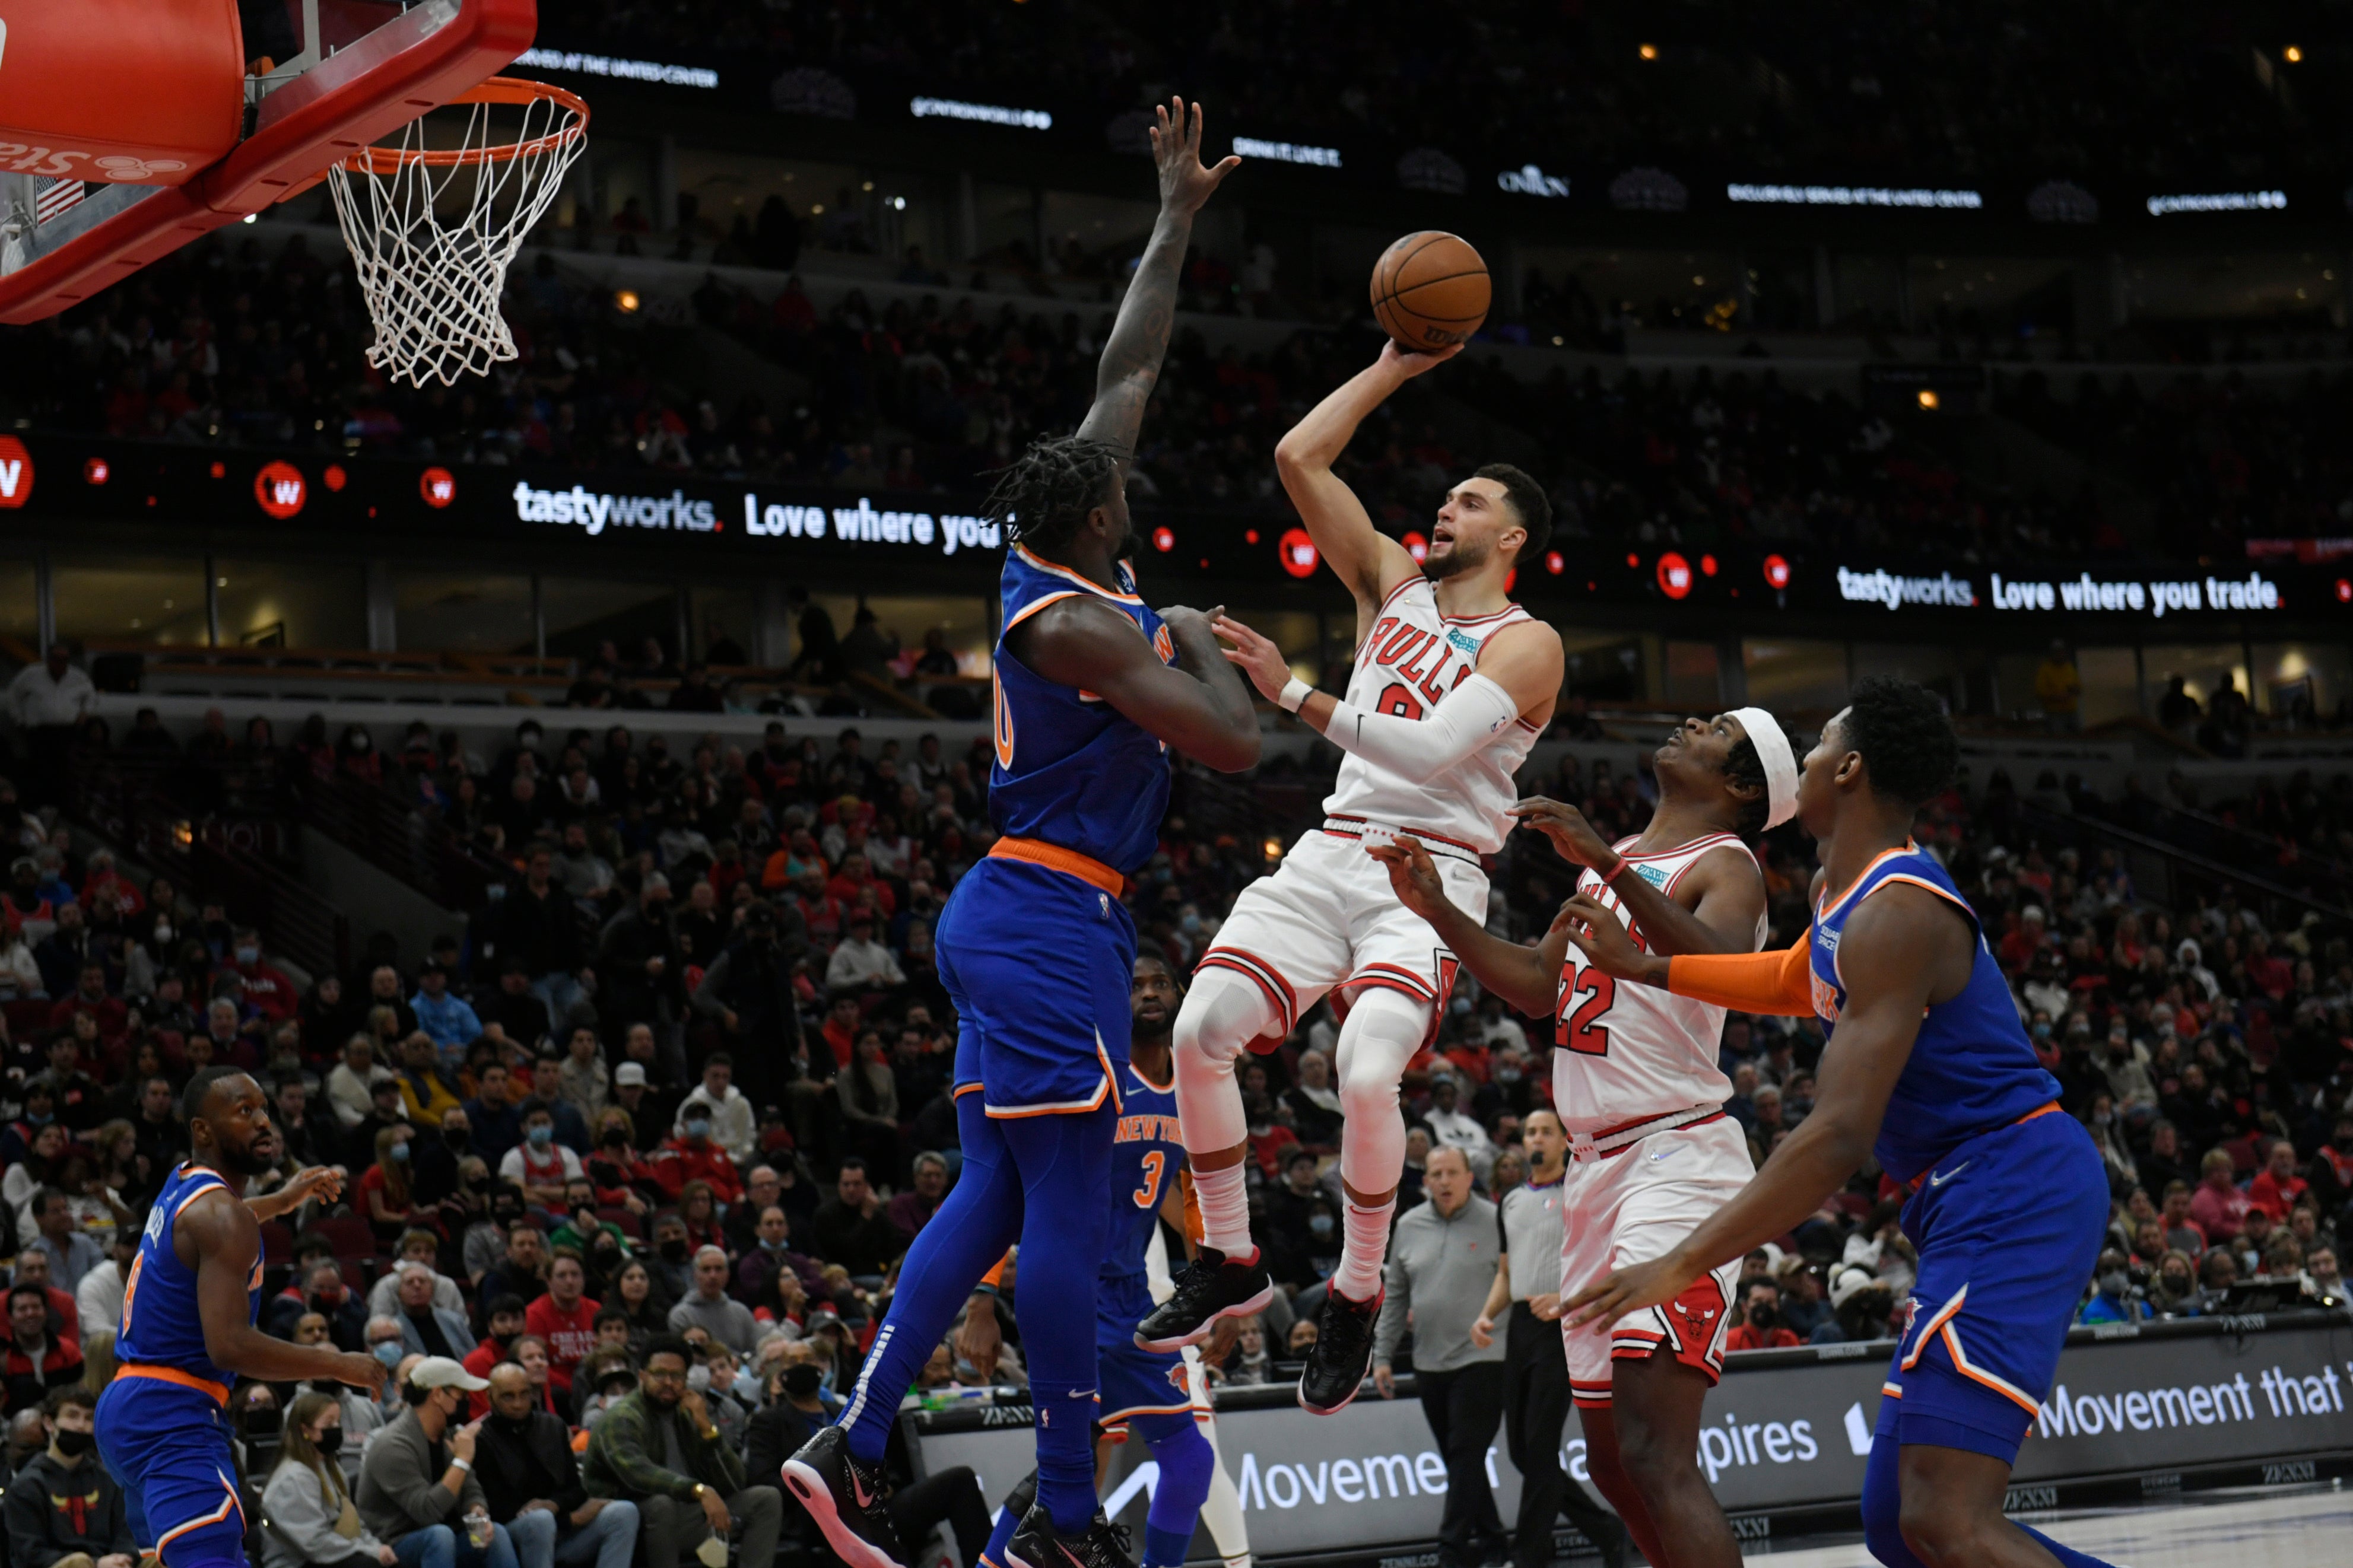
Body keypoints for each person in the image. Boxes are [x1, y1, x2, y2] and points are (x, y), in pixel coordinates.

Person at [783, 97, 1259, 1568]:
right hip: (1047, 917)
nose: (1133, 469)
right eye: (1125, 480)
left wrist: (1173, 219)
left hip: (1019, 910)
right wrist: (1194, 635)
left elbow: (1127, 361)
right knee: (1062, 1200)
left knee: (992, 1184)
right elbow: (1235, 745)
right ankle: (1062, 1510)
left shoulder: (1057, 544)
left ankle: (850, 1442)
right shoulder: (1074, 622)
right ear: (1104, 511)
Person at [1555, 678, 2122, 1568]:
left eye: (1818, 745)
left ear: (1849, 767)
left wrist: (1682, 1256)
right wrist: (1647, 967)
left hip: (2014, 1184)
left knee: (1946, 1520)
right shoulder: (1837, 888)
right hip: (1963, 1192)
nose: (1807, 760)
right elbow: (1791, 977)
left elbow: (1837, 1135)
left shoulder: (1897, 908)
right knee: (1900, 1522)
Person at [1147, 340, 1564, 1419]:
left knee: (1370, 1072)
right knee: (1199, 1029)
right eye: (1444, 497)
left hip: (1430, 878)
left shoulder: (1531, 645)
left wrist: (1292, 693)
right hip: (1333, 849)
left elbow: (1429, 755)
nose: (1445, 510)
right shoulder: (1394, 583)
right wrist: (1394, 363)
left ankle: (1357, 1284)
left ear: (1510, 538)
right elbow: (1299, 456)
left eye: (1468, 503)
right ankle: (1232, 1255)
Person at [1368, 707, 1788, 1568]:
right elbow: (1536, 984)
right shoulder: (1622, 861)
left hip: (1676, 1158)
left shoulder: (1726, 863)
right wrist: (1439, 907)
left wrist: (1601, 859)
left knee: (1653, 1450)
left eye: (1711, 728)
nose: (1686, 723)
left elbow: (1720, 961)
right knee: (1608, 1455)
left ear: (1743, 787)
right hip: (1596, 1176)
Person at [971, 953, 1244, 1568]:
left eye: (1159, 984)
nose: (1148, 994)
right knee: (1071, 1467)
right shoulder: (1096, 1077)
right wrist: (983, 1298)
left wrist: (1222, 1294)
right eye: (1135, 986)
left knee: (1190, 1461)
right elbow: (1014, 1178)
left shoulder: (1197, 1090)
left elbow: (1201, 1202)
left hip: (1131, 1301)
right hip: (1069, 1290)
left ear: (1181, 996)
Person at [94, 1067, 386, 1568]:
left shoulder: (186, 1184)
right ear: (203, 1130)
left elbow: (224, 1220)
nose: (263, 1122)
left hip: (132, 1406)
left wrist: (286, 1198)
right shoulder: (222, 1216)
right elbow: (229, 1346)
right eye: (244, 1110)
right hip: (172, 1411)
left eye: (265, 1109)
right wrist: (340, 1365)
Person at [1466, 1109, 1627, 1568]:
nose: (1535, 1138)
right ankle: (1605, 1529)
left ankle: (1530, 1555)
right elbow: (1505, 1271)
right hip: (1519, 1324)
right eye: (1529, 1131)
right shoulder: (1511, 1200)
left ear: (1564, 1141)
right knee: (1521, 1450)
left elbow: (1605, 1260)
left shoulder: (1581, 1193)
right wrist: (1485, 1314)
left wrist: (1564, 1297)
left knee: (1538, 1446)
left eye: (1545, 1131)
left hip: (1564, 1326)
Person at [1368, 1149, 1507, 1568]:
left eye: (1452, 1173)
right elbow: (1394, 1297)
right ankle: (1495, 1543)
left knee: (1465, 1450)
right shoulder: (1408, 1225)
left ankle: (1451, 1550)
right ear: (1424, 1180)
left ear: (1469, 1176)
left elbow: (1517, 1278)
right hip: (1428, 1361)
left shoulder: (1497, 1220)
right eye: (1435, 1174)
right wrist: (1383, 1355)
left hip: (1485, 1355)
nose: (1444, 1181)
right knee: (1458, 1459)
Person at [581, 1335, 782, 1568]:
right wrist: (699, 1491)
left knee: (766, 1498)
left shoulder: (687, 1413)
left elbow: (735, 1481)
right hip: (635, 1522)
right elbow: (638, 1474)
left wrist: (707, 1429)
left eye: (677, 1376)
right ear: (643, 1376)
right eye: (659, 1374)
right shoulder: (622, 1417)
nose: (668, 1382)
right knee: (661, 1505)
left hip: (689, 1516)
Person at [357, 1358, 521, 1568]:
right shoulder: (392, 1446)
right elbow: (427, 1512)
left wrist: (477, 1511)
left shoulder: (452, 1433)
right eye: (461, 1394)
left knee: (495, 1533)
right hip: (395, 1545)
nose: (466, 1400)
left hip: (448, 1535)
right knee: (439, 1536)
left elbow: (471, 1488)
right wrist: (461, 1461)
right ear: (437, 1395)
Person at [474, 1363, 638, 1568]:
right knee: (540, 1520)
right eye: (508, 1397)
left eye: (524, 1394)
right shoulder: (482, 1439)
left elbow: (576, 1489)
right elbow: (496, 1509)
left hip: (562, 1529)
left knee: (624, 1512)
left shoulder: (553, 1427)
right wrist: (569, 1520)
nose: (518, 1404)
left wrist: (555, 1505)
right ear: (491, 1398)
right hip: (516, 1536)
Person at [260, 1391, 397, 1568]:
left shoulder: (332, 1469)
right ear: (305, 1430)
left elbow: (352, 1522)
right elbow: (314, 1543)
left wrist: (376, 1547)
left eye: (337, 1422)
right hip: (295, 1563)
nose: (336, 1428)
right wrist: (368, 1551)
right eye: (328, 1423)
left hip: (329, 1553)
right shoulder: (293, 1477)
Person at [5, 1385, 135, 1568]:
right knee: (79, 1563)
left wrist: (123, 1558)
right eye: (73, 1416)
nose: (81, 1425)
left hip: (110, 1564)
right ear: (49, 1423)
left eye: (88, 1418)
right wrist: (96, 1564)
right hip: (60, 1565)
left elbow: (126, 1534)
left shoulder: (107, 1479)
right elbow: (29, 1553)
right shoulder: (27, 1486)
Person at [667, 1248, 758, 1356]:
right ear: (695, 1275)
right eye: (706, 1270)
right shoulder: (681, 1315)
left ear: (727, 1275)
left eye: (719, 1269)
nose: (713, 1276)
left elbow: (754, 1353)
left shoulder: (742, 1313)